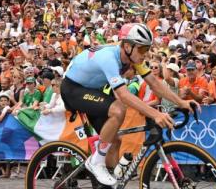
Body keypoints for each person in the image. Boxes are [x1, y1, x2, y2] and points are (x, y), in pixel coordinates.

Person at [62, 23, 198, 186]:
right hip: (72, 89)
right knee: (118, 109)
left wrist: (181, 102)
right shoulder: (109, 58)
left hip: (91, 90)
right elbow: (124, 95)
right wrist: (155, 114)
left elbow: (154, 83)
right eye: (142, 49)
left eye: (147, 49)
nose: (145, 54)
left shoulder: (133, 57)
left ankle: (108, 185)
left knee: (115, 140)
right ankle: (96, 161)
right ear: (127, 46)